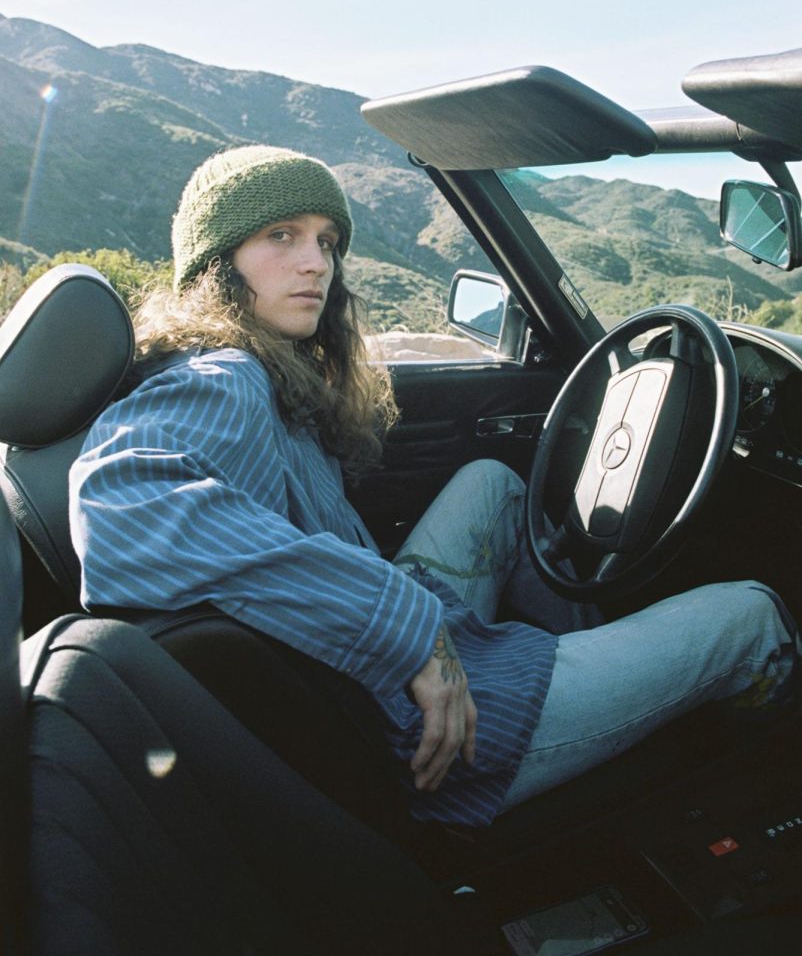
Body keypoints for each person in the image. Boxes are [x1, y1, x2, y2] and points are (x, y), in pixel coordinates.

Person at [69, 145, 801, 828]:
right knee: (752, 612)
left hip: (388, 665)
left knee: (494, 483)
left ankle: (604, 682)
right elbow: (124, 511)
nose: (315, 263)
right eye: (282, 237)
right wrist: (411, 636)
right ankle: (729, 770)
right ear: (215, 264)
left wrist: (412, 627)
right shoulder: (220, 377)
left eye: (327, 240)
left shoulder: (255, 364)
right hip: (421, 731)